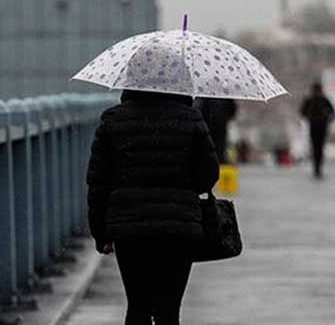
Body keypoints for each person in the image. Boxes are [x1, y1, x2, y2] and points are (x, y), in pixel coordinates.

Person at [87, 90, 219, 325]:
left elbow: (98, 183)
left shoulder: (113, 120)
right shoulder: (191, 119)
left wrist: (100, 234)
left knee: (137, 306)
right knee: (168, 310)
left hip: (129, 229)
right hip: (179, 226)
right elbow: (208, 175)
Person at [300, 82, 335, 179]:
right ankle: (317, 167)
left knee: (316, 147)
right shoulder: (323, 99)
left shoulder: (310, 100)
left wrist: (309, 117)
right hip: (320, 127)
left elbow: (302, 113)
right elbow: (333, 113)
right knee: (319, 147)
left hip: (315, 126)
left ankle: (317, 167)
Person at [194, 97, 237, 163]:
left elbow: (199, 110)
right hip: (221, 129)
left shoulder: (205, 97)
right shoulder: (226, 97)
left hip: (208, 129)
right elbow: (233, 112)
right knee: (220, 151)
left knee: (208, 150)